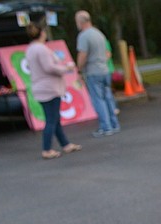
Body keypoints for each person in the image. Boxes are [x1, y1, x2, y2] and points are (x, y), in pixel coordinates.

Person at [25, 20, 82, 159]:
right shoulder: (41, 49)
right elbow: (49, 67)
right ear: (42, 33)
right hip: (49, 88)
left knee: (54, 118)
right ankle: (46, 148)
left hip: (41, 87)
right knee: (51, 119)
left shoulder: (31, 49)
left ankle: (65, 144)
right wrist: (66, 68)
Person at [75, 10, 120, 137]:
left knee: (98, 100)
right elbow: (107, 52)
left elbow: (82, 54)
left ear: (81, 22)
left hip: (93, 71)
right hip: (105, 70)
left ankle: (105, 127)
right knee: (107, 98)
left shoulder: (84, 36)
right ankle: (114, 124)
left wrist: (78, 68)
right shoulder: (98, 33)